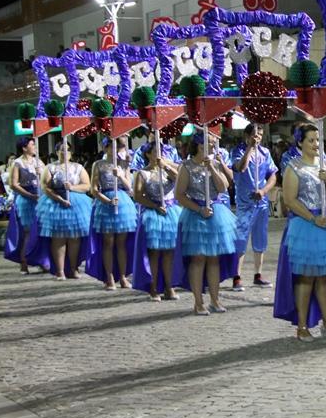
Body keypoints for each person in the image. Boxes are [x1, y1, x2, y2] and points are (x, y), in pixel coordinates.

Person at [273, 123, 326, 341]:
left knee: (325, 277)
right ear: (300, 142)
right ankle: (302, 326)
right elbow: (290, 200)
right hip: (305, 225)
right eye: (311, 140)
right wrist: (312, 218)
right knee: (306, 278)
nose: (316, 144)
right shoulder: (294, 167)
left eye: (318, 140)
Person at [175, 133, 238, 315]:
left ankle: (215, 300)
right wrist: (198, 209)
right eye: (210, 143)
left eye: (213, 143)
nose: (213, 146)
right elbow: (180, 195)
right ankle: (198, 302)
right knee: (198, 258)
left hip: (216, 213)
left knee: (214, 258)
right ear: (199, 145)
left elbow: (223, 187)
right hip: (196, 214)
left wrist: (212, 166)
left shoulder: (215, 164)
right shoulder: (186, 166)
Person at [231, 124, 278, 290]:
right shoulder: (237, 151)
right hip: (245, 203)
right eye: (255, 134)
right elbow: (241, 167)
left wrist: (264, 191)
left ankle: (258, 274)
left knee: (260, 238)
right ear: (246, 135)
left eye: (260, 134)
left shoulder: (265, 153)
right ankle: (237, 276)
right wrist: (250, 147)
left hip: (261, 203)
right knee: (241, 238)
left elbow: (272, 175)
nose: (258, 137)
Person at [132, 142, 181, 301]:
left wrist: (165, 166)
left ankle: (169, 286)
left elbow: (179, 180)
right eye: (155, 152)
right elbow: (138, 196)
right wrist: (154, 205)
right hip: (153, 213)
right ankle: (153, 287)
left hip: (171, 212)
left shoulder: (168, 170)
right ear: (148, 154)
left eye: (162, 152)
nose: (160, 155)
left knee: (169, 252)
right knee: (154, 252)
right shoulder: (142, 173)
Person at [36, 142, 93, 280]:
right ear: (57, 152)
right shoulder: (51, 167)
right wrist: (59, 199)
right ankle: (60, 270)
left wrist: (72, 187)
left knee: (74, 238)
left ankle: (73, 268)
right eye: (62, 150)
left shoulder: (78, 167)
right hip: (56, 203)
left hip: (76, 204)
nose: (65, 152)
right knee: (58, 238)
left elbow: (87, 185)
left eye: (67, 150)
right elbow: (45, 187)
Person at [88, 137, 139, 290]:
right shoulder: (98, 165)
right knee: (108, 242)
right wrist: (107, 201)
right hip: (106, 203)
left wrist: (121, 175)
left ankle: (123, 276)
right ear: (106, 148)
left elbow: (130, 187)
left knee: (121, 243)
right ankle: (109, 276)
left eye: (118, 147)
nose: (115, 150)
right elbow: (94, 189)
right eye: (111, 147)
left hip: (123, 202)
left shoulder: (124, 164)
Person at [4, 137, 45, 272]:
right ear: (24, 147)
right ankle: (24, 261)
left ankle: (40, 260)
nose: (35, 146)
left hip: (39, 197)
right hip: (25, 198)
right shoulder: (17, 163)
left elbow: (47, 178)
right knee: (27, 231)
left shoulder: (38, 161)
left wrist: (42, 173)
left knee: (40, 231)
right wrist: (29, 195)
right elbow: (13, 184)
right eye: (32, 144)